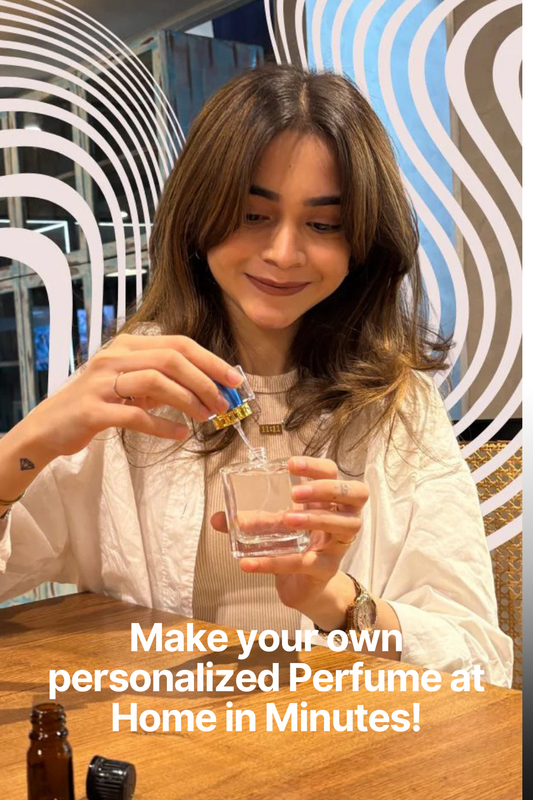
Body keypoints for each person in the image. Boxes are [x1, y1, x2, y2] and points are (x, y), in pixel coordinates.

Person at [0, 65, 512, 686]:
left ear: (361, 243)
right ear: (199, 217)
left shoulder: (396, 406)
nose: (284, 253)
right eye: (251, 214)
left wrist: (334, 600)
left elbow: (481, 661)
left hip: (341, 754)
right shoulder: (134, 391)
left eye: (324, 224)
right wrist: (28, 444)